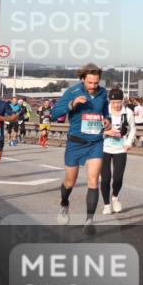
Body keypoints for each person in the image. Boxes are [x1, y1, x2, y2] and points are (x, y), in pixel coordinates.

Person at [51, 63, 109, 230]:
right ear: (83, 79)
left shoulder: (102, 92)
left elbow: (105, 111)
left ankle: (89, 221)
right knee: (70, 182)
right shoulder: (72, 92)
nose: (93, 86)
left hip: (95, 142)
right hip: (75, 143)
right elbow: (54, 114)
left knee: (93, 181)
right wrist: (72, 104)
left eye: (96, 83)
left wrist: (107, 119)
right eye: (90, 83)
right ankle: (64, 203)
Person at [101, 88, 136, 215]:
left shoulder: (128, 112)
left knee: (118, 178)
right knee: (105, 179)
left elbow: (132, 129)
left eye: (119, 102)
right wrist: (106, 132)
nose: (116, 105)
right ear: (110, 101)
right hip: (104, 148)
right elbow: (96, 129)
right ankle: (106, 204)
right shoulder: (104, 113)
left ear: (122, 101)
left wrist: (128, 143)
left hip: (121, 148)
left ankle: (115, 197)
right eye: (113, 102)